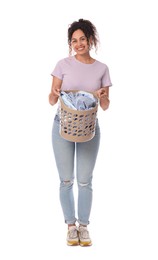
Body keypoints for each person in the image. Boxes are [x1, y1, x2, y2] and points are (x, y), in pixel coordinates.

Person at [48, 18, 112, 246]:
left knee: (85, 181)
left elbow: (105, 106)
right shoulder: (62, 65)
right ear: (70, 44)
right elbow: (50, 99)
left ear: (90, 39)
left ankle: (83, 227)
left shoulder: (102, 68)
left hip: (89, 129)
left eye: (82, 39)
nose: (78, 44)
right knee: (66, 180)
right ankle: (70, 227)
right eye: (74, 41)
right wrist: (55, 93)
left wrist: (103, 97)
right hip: (62, 126)